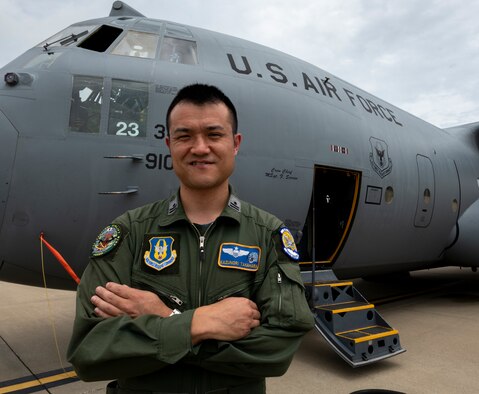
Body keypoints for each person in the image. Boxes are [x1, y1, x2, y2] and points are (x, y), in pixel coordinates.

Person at [67, 83, 315, 393]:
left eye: (214, 134)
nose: (199, 148)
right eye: (185, 136)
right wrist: (197, 324)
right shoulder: (129, 231)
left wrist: (162, 320)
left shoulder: (267, 234)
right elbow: (90, 352)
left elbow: (276, 352)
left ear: (235, 143)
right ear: (169, 144)